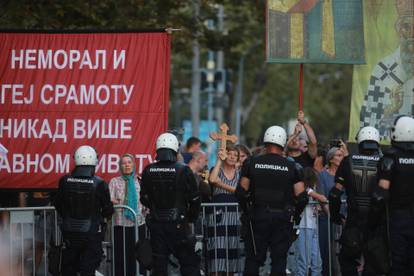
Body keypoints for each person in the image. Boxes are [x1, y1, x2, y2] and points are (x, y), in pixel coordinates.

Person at [235, 125, 307, 275]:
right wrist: (295, 215)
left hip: (257, 217)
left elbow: (241, 192)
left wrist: (247, 211)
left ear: (265, 141)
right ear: (282, 143)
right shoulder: (293, 166)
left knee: (253, 260)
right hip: (282, 219)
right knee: (279, 260)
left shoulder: (251, 163)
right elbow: (302, 198)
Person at [140, 132, 201, 276]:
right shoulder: (184, 170)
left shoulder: (148, 170)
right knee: (189, 264)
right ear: (175, 149)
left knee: (159, 266)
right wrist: (191, 217)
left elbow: (144, 198)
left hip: (157, 224)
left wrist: (155, 207)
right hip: (179, 224)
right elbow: (194, 199)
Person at [329, 126, 384, 275]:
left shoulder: (347, 161)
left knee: (347, 263)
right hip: (377, 225)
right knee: (374, 265)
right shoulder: (385, 162)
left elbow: (334, 194)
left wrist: (335, 216)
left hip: (354, 223)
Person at [52, 145, 114, 276]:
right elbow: (108, 210)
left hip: (70, 233)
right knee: (88, 269)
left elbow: (58, 203)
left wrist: (68, 217)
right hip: (91, 234)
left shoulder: (64, 181)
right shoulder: (99, 183)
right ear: (93, 161)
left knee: (69, 268)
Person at [360, 0, 414, 138]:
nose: (412, 33)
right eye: (407, 26)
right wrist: (392, 109)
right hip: (394, 145)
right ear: (399, 30)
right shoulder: (383, 70)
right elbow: (371, 125)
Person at [372, 115, 414, 275]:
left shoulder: (391, 158)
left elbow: (380, 195)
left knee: (397, 264)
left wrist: (373, 222)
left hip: (397, 219)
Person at [109, 154, 147, 276]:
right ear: (120, 166)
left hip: (138, 224)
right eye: (124, 163)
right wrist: (114, 202)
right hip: (121, 224)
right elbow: (110, 199)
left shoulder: (140, 181)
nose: (127, 165)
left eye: (129, 162)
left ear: (134, 165)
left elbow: (146, 200)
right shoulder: (114, 181)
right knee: (121, 255)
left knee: (138, 255)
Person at [207, 144, 243, 275]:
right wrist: (219, 160)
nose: (232, 157)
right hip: (218, 215)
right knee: (217, 247)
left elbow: (240, 192)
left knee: (231, 247)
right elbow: (212, 179)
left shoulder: (240, 174)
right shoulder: (217, 169)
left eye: (235, 155)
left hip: (234, 216)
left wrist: (221, 184)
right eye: (230, 154)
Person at [318, 144, 347, 276]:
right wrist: (332, 215)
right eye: (339, 155)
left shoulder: (346, 174)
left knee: (344, 252)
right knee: (327, 252)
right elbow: (322, 197)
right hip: (327, 219)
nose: (342, 158)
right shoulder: (322, 175)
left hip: (344, 218)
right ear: (331, 159)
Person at [294, 167, 327, 276]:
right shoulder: (305, 188)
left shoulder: (312, 188)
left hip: (313, 225)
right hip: (304, 226)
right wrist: (321, 199)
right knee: (304, 260)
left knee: (317, 260)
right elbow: (321, 197)